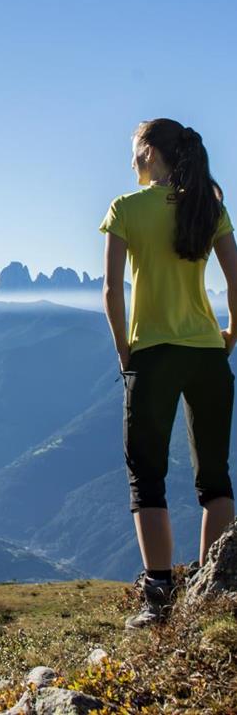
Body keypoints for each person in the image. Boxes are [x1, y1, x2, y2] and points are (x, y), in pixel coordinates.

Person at [99, 118, 237, 629]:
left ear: (152, 153)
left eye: (135, 149)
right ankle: (211, 588)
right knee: (215, 477)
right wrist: (229, 335)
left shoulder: (125, 209)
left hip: (152, 354)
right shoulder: (209, 207)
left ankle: (158, 600)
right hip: (207, 354)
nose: (131, 159)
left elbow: (113, 292)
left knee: (147, 477)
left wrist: (123, 351)